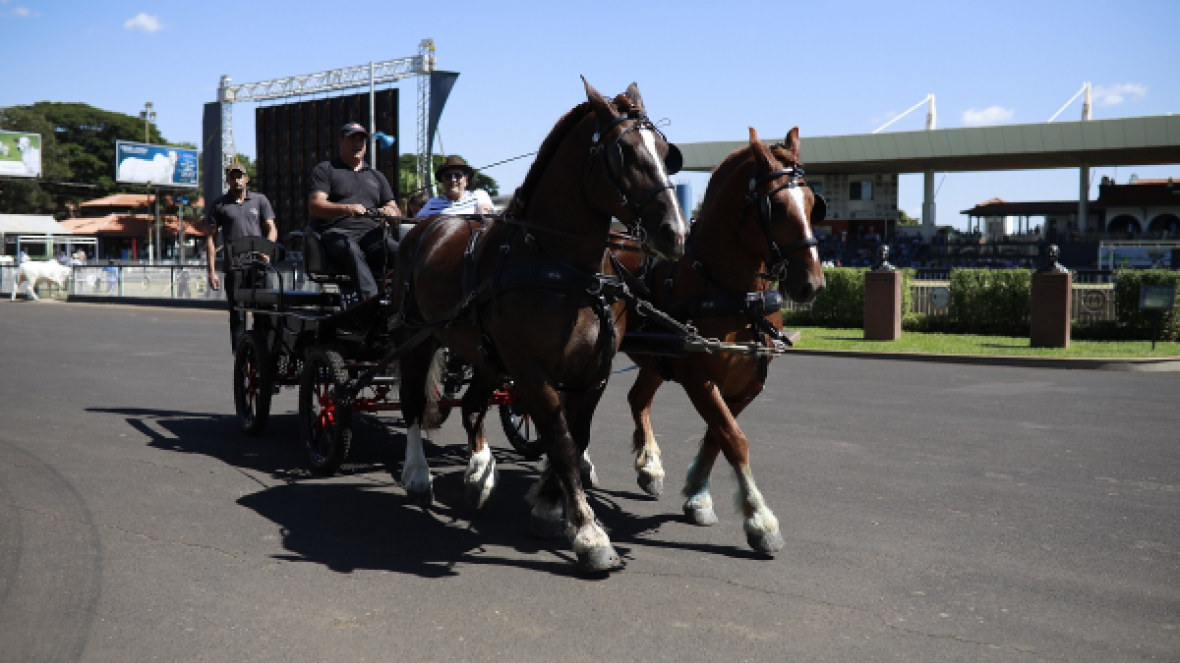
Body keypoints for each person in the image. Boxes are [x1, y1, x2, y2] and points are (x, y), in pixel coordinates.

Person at [308, 122, 401, 304]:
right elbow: (315, 205)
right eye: (352, 139)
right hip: (336, 233)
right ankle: (372, 304)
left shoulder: (377, 176)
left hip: (371, 235)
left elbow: (395, 209)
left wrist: (391, 212)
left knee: (400, 252)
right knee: (351, 250)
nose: (358, 144)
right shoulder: (326, 170)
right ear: (341, 141)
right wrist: (346, 209)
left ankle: (404, 302)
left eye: (361, 140)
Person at [204, 162, 278, 349]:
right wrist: (211, 271)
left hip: (259, 266)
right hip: (234, 267)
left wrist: (267, 249)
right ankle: (241, 359)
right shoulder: (219, 205)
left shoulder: (260, 200)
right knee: (238, 316)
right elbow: (211, 239)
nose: (236, 180)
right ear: (227, 180)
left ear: (247, 179)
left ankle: (263, 354)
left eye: (239, 176)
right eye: (232, 177)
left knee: (264, 312)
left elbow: (272, 228)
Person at [415, 156, 494, 218]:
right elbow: (417, 224)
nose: (453, 180)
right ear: (442, 182)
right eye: (448, 176)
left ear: (466, 180)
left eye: (458, 175)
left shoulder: (479, 195)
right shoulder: (432, 202)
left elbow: (485, 215)